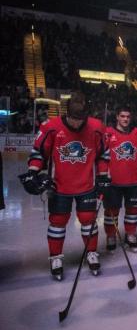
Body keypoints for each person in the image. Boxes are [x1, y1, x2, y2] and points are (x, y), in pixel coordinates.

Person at [21, 91, 110, 280]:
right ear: (66, 113)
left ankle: (91, 252)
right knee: (58, 222)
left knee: (88, 219)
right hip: (59, 186)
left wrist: (103, 176)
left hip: (87, 184)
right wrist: (32, 172)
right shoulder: (51, 128)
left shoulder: (96, 127)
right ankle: (55, 257)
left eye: (80, 119)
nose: (77, 123)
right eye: (73, 118)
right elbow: (38, 153)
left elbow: (104, 154)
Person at [103, 106, 137, 253]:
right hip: (113, 182)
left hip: (134, 182)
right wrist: (102, 175)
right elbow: (102, 158)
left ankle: (130, 235)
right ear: (117, 117)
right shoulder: (108, 134)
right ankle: (111, 235)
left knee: (133, 211)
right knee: (111, 211)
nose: (125, 119)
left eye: (128, 117)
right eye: (122, 116)